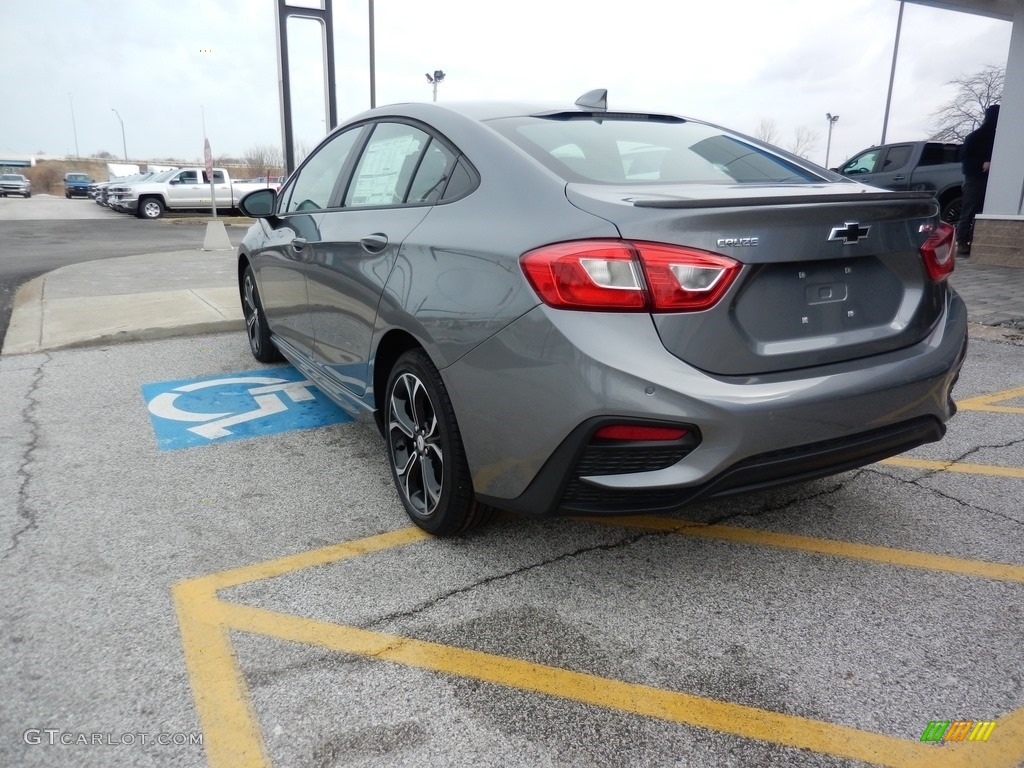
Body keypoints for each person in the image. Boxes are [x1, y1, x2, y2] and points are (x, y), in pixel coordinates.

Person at [956, 104, 999, 258]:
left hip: (991, 180)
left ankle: (975, 241)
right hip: (975, 179)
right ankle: (962, 242)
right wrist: (981, 164)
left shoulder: (998, 138)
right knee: (968, 212)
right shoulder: (976, 136)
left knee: (981, 212)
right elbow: (963, 158)